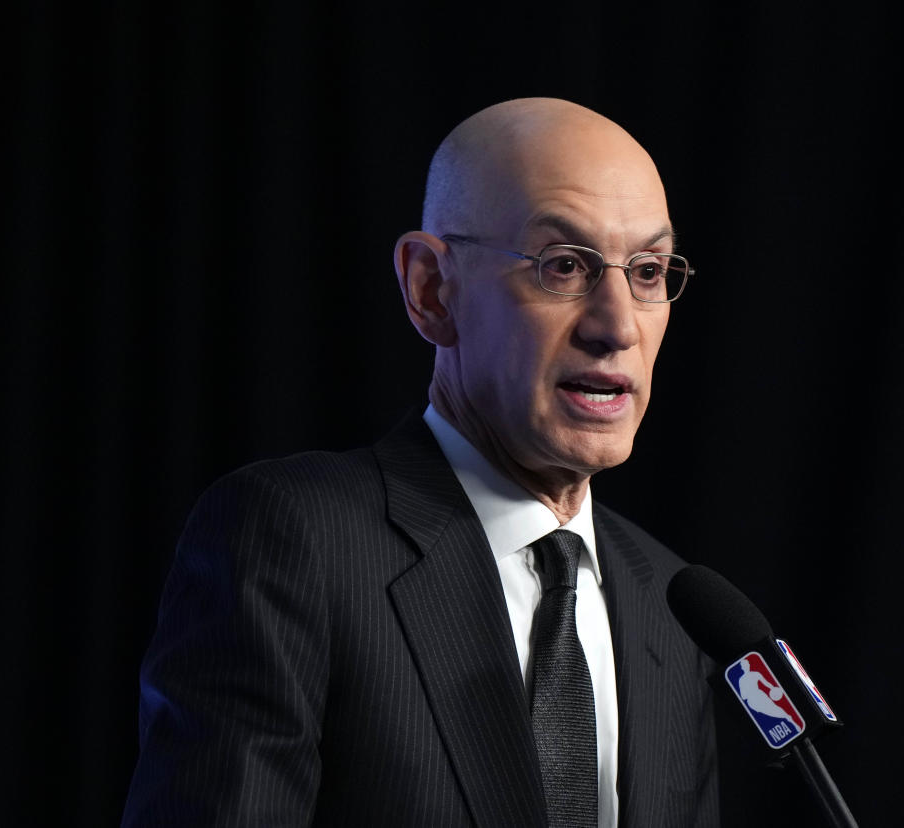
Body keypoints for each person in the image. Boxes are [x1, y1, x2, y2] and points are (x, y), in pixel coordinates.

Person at [122, 97, 719, 827]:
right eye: (564, 266)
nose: (618, 325)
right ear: (432, 290)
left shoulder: (673, 606)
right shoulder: (295, 540)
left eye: (649, 271)